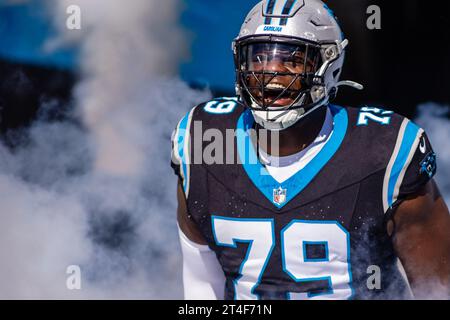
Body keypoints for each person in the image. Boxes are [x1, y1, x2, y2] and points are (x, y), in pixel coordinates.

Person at [171, 0, 450, 300]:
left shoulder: (383, 151)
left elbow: (439, 288)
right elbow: (201, 289)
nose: (271, 74)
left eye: (292, 59)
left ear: (329, 65)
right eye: (259, 58)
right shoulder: (204, 140)